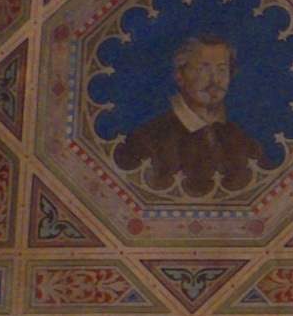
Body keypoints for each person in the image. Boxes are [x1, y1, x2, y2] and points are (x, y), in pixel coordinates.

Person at [109, 27, 263, 197]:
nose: (214, 80)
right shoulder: (147, 140)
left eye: (221, 69)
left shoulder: (242, 141)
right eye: (203, 68)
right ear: (179, 76)